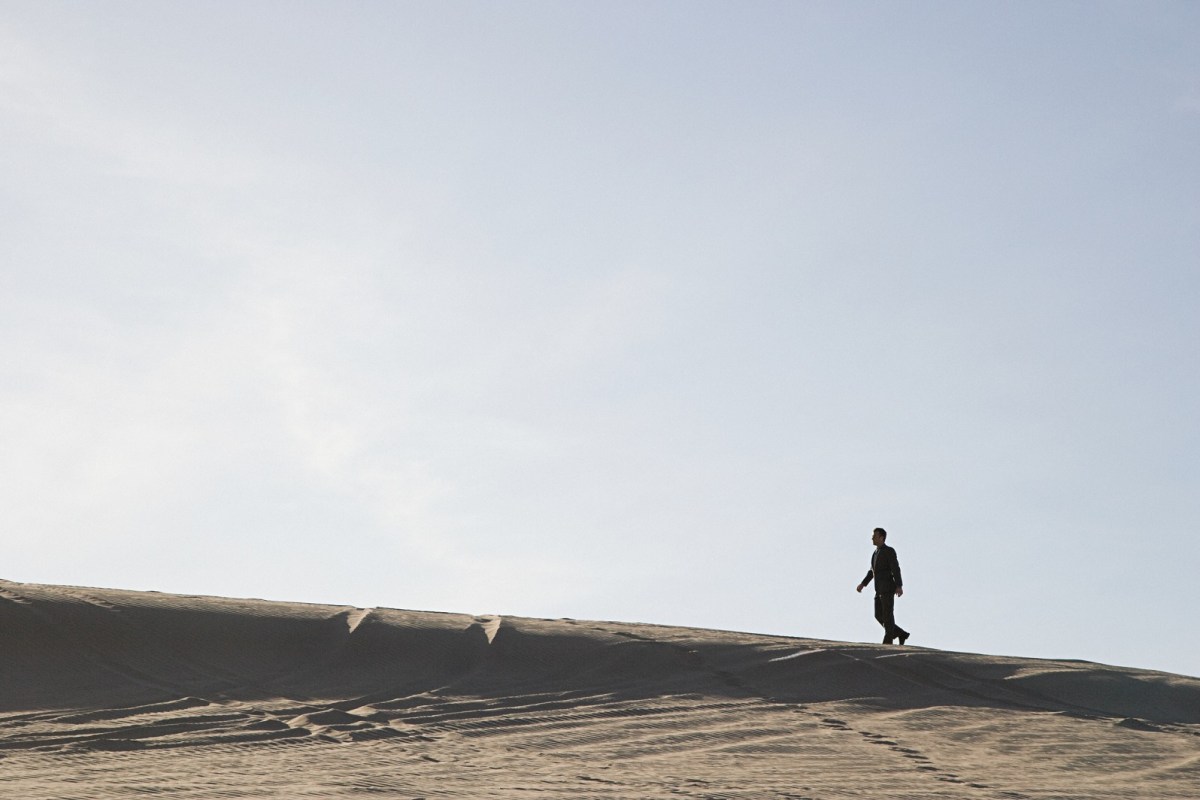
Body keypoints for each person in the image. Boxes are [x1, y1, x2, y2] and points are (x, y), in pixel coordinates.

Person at [856, 527, 910, 645]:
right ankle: (900, 633)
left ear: (882, 537)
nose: (872, 538)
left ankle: (887, 642)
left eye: (874, 536)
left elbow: (895, 568)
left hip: (888, 588)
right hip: (878, 589)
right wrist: (863, 584)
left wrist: (899, 585)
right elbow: (872, 571)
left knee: (888, 615)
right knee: (878, 615)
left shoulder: (889, 551)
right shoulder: (875, 553)